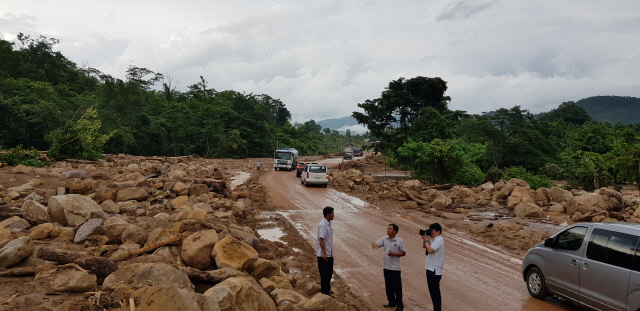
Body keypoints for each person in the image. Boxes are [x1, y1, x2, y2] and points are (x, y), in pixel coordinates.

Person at [372, 224, 406, 311]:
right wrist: (374, 244)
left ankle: (399, 306)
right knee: (388, 286)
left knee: (397, 287)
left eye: (390, 229)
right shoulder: (384, 238)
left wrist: (394, 254)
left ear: (395, 231)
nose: (387, 230)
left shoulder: (399, 241)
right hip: (386, 266)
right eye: (387, 228)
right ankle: (391, 302)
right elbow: (376, 244)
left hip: (395, 268)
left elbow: (403, 253)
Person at [423, 223, 444, 311]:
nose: (431, 233)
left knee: (435, 294)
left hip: (434, 271)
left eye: (432, 231)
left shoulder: (439, 240)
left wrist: (426, 240)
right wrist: (425, 239)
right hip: (431, 269)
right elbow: (425, 246)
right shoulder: (435, 240)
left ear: (438, 231)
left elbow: (430, 250)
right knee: (433, 293)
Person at [316, 206, 335, 296]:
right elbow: (321, 239)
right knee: (324, 274)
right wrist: (324, 252)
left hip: (329, 254)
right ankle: (324, 292)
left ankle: (327, 289)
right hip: (323, 255)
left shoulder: (328, 224)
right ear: (327, 214)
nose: (333, 215)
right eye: (332, 214)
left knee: (329, 273)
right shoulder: (323, 225)